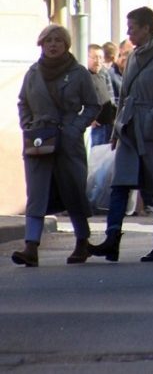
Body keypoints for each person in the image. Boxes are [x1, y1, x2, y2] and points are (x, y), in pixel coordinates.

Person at [88, 6, 153, 263]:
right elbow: (124, 97)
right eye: (128, 27)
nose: (128, 32)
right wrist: (117, 129)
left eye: (133, 27)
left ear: (147, 28)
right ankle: (112, 240)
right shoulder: (131, 57)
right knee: (120, 185)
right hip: (130, 130)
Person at [13, 24, 100, 267]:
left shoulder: (79, 73)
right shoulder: (32, 73)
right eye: (48, 41)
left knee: (73, 191)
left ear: (66, 45)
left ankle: (82, 241)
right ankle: (31, 246)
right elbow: (23, 103)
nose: (52, 45)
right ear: (41, 44)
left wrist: (75, 127)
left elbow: (93, 105)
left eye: (57, 41)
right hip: (38, 139)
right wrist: (28, 125)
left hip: (67, 140)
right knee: (36, 193)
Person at [86, 43, 116, 147]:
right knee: (97, 156)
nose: (98, 61)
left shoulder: (104, 73)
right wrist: (90, 120)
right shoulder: (84, 75)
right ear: (88, 58)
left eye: (100, 58)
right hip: (96, 126)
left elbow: (111, 96)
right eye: (94, 57)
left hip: (110, 123)